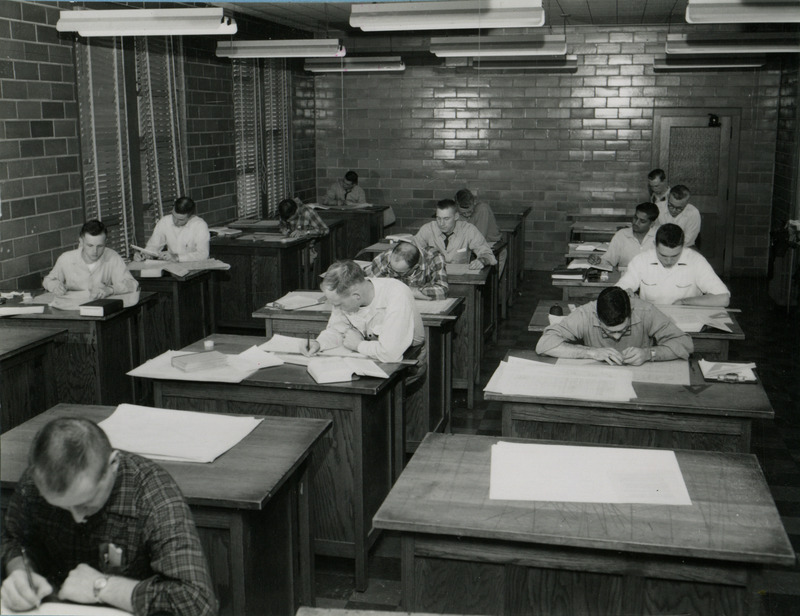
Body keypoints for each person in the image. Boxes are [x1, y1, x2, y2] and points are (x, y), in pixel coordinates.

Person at [0, 417, 216, 616]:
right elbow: (12, 540)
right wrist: (20, 573)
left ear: (113, 464)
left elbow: (197, 601)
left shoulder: (153, 494)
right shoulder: (36, 482)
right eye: (62, 507)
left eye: (86, 502)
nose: (77, 518)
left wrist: (102, 586)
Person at [304, 260, 424, 364]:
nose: (337, 308)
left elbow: (391, 353)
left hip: (408, 361)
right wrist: (319, 343)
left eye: (338, 304)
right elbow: (337, 330)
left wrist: (358, 345)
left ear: (356, 296)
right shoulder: (345, 295)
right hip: (369, 358)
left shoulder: (396, 294)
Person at [536, 286, 693, 366]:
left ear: (630, 313)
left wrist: (649, 354)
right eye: (609, 332)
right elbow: (544, 345)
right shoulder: (586, 313)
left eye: (623, 330)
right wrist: (591, 353)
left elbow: (685, 344)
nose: (617, 337)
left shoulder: (645, 310)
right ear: (597, 318)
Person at [617, 223, 730, 307]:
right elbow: (619, 290)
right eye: (663, 255)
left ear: (683, 246)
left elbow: (723, 298)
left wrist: (685, 302)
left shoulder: (696, 260)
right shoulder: (641, 260)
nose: (669, 261)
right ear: (654, 245)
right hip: (652, 320)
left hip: (687, 321)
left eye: (675, 255)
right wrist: (626, 294)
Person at [42, 220, 139, 300]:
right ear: (81, 241)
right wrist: (56, 286)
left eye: (100, 246)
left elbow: (132, 284)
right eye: (90, 245)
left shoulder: (112, 257)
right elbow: (48, 280)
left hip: (101, 310)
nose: (95, 251)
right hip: (72, 310)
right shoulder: (66, 258)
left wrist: (110, 289)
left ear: (106, 242)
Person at [414, 199, 497, 270]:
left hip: (460, 281)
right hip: (434, 279)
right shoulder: (428, 229)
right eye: (438, 218)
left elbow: (488, 254)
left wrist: (482, 261)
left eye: (446, 219)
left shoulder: (468, 229)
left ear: (456, 216)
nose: (441, 223)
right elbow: (413, 250)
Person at [365, 239, 448, 300]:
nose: (394, 272)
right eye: (391, 267)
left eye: (400, 272)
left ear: (415, 267)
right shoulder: (387, 256)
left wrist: (409, 291)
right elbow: (367, 286)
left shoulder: (433, 257)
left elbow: (442, 291)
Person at [137, 196, 209, 262]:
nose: (176, 221)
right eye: (174, 216)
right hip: (173, 268)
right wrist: (144, 255)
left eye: (181, 220)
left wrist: (177, 257)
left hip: (196, 267)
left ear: (190, 217)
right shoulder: (165, 221)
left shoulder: (200, 225)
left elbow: (203, 254)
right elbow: (153, 246)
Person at [588, 202, 660, 269]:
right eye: (635, 218)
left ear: (652, 224)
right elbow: (609, 260)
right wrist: (598, 261)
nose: (636, 223)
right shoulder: (622, 235)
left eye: (642, 221)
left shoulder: (659, 236)